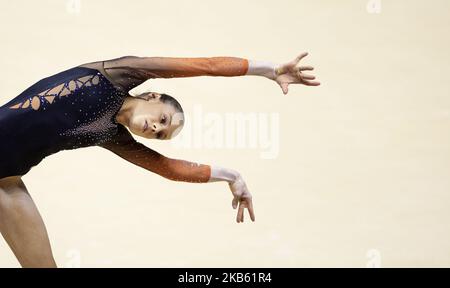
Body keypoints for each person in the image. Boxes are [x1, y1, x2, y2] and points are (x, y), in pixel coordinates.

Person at [0, 52, 320, 267]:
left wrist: (232, 176)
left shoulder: (112, 136)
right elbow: (206, 66)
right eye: (163, 120)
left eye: (160, 135)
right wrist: (269, 71)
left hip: (6, 184)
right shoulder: (118, 74)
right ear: (152, 97)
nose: (155, 129)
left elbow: (169, 169)